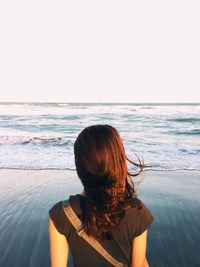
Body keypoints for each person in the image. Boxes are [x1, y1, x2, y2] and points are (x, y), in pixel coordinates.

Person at [49, 125, 153, 267]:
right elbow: (139, 264)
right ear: (119, 162)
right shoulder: (137, 211)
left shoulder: (62, 214)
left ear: (79, 166)